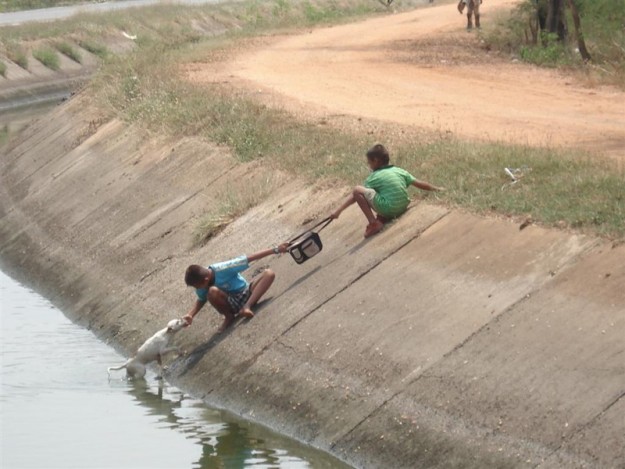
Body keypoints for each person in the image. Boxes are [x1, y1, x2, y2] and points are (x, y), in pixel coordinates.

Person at [330, 144, 444, 238]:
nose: (369, 165)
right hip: (403, 206)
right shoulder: (399, 170)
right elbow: (419, 183)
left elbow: (357, 195)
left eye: (369, 162)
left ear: (375, 161)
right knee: (381, 196)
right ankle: (381, 219)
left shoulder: (374, 176)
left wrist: (338, 211)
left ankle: (373, 223)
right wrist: (437, 189)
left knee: (357, 190)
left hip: (389, 208)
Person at [183, 243, 289, 332]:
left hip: (246, 292)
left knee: (269, 273)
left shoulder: (223, 268)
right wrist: (190, 315)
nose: (197, 289)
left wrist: (276, 249)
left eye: (197, 286)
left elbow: (249, 258)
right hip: (230, 302)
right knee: (212, 291)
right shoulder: (201, 282)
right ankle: (229, 317)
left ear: (205, 280)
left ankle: (247, 306)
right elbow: (201, 299)